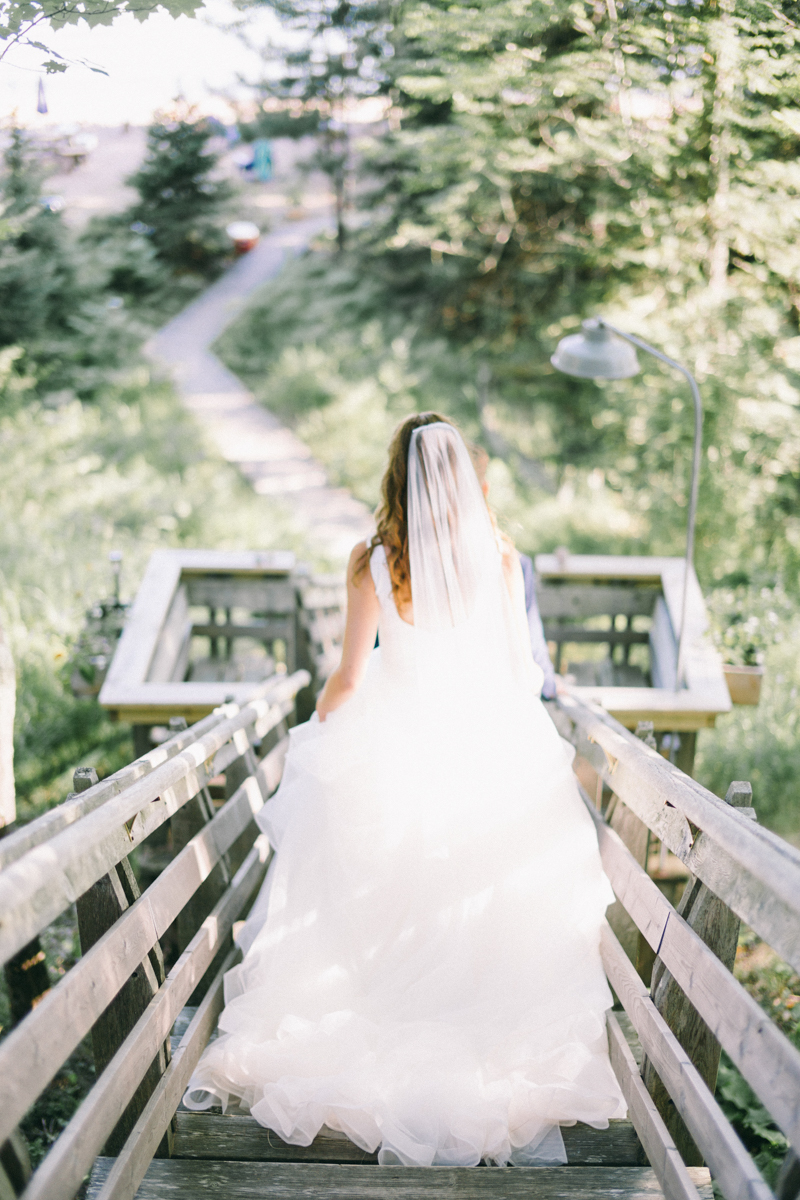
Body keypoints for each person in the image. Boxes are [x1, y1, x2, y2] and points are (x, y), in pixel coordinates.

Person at [184, 413, 625, 1167]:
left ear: (395, 476)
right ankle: (473, 1018)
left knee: (380, 882)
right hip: (486, 742)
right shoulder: (502, 555)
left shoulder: (372, 560)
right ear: (461, 479)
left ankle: (377, 1007)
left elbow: (350, 677)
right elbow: (522, 672)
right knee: (476, 895)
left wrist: (315, 733)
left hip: (394, 740)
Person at [468, 442, 557, 699]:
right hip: (494, 698)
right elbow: (530, 642)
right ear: (484, 490)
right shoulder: (510, 561)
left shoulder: (402, 564)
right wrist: (549, 684)